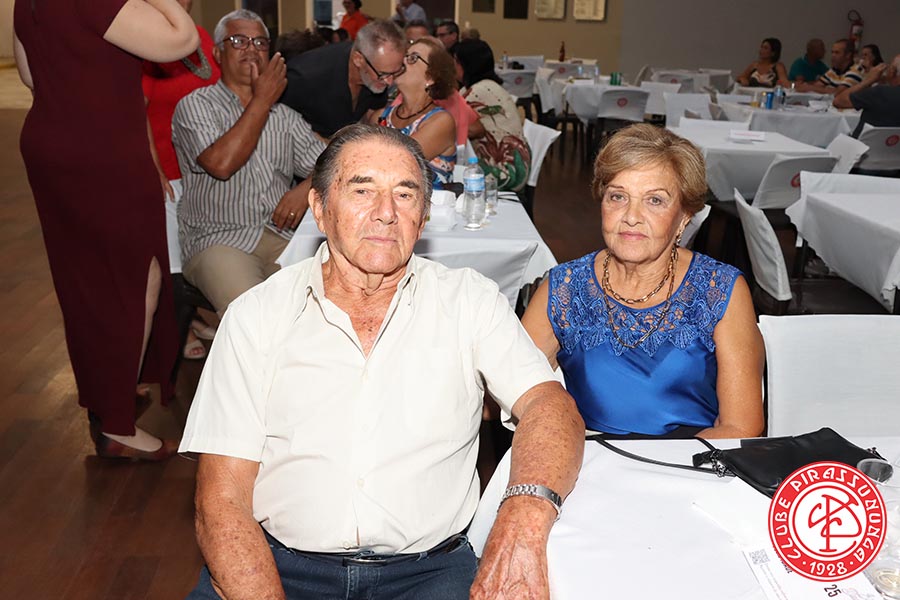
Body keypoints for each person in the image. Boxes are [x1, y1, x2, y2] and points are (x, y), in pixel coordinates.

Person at [180, 124, 584, 599]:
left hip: (430, 573)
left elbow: (549, 406)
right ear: (319, 208)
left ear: (423, 216)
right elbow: (222, 499)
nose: (386, 212)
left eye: (405, 194)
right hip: (276, 564)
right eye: (362, 190)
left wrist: (523, 516)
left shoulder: (467, 301)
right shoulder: (257, 314)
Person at [14, 0, 198, 460]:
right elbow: (182, 38)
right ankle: (116, 426)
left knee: (86, 282)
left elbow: (31, 75)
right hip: (101, 151)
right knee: (136, 279)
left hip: (53, 143)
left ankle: (110, 389)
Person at [522, 124, 765, 439]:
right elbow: (513, 389)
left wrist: (668, 464)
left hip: (689, 461)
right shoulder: (565, 288)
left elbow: (741, 426)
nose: (631, 216)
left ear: (684, 216)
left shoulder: (720, 290)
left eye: (655, 200)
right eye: (618, 196)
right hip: (591, 460)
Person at [172, 10, 325, 315]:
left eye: (260, 42)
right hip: (218, 240)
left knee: (322, 308)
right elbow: (221, 164)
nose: (251, 49)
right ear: (218, 53)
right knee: (255, 316)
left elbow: (331, 165)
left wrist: (305, 188)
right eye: (238, 41)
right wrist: (262, 101)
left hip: (283, 238)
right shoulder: (196, 105)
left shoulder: (284, 117)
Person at [143, 0, 221, 362]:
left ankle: (195, 314)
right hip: (169, 167)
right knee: (173, 258)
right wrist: (154, 169)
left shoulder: (199, 36)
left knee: (197, 250)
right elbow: (136, 110)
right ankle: (182, 327)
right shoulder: (144, 40)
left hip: (204, 169)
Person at [282, 20, 405, 139]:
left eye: (395, 72)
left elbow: (372, 112)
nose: (389, 82)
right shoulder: (304, 78)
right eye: (383, 74)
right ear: (358, 59)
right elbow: (281, 125)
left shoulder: (377, 74)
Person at [375, 37, 457, 188]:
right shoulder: (381, 115)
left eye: (413, 58)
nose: (402, 61)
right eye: (404, 55)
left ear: (430, 77)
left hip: (430, 202)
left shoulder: (441, 121)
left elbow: (400, 162)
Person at [455, 39, 531, 192]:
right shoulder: (481, 87)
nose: (452, 67)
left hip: (506, 171)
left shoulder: (479, 91)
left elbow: (456, 125)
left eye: (455, 61)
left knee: (447, 172)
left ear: (466, 64)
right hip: (506, 162)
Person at [833, 54, 900, 138]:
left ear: (892, 72)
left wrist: (869, 79)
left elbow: (838, 101)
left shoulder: (880, 93)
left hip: (864, 145)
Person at [798, 39, 864, 93]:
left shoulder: (856, 70)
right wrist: (806, 86)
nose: (833, 56)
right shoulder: (834, 70)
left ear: (848, 55)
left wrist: (810, 87)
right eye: (832, 52)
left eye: (837, 53)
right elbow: (818, 85)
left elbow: (838, 92)